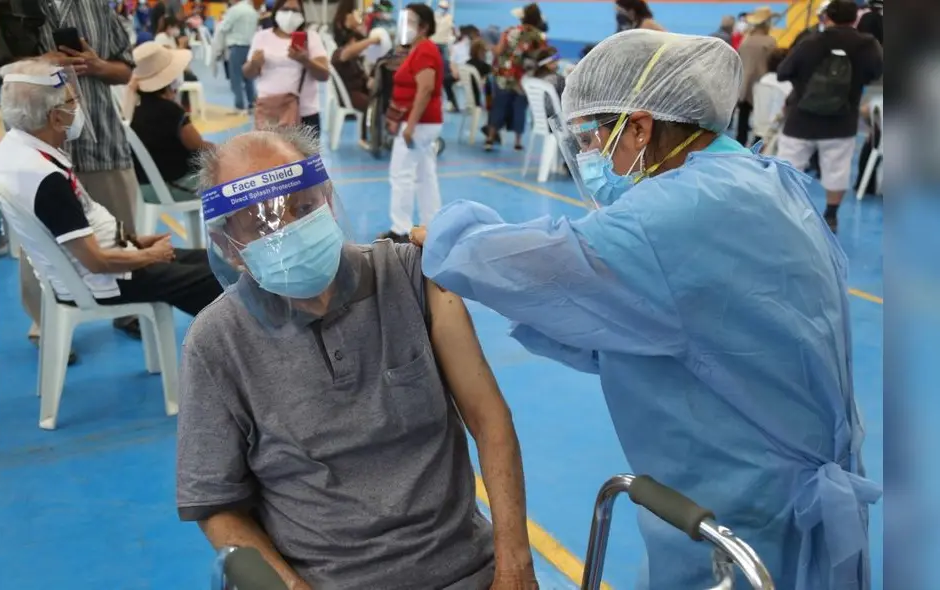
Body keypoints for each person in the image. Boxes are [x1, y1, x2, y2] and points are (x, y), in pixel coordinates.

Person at [412, 29, 881, 590]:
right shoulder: (759, 179)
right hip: (784, 480)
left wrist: (440, 234)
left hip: (745, 506)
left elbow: (549, 266)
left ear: (639, 126)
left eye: (590, 140)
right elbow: (649, 320)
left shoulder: (678, 213)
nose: (586, 158)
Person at [177, 128, 537, 590]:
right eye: (260, 222)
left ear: (326, 201)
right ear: (230, 246)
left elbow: (490, 420)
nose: (286, 227)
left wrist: (514, 565)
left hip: (469, 570)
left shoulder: (411, 276)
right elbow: (217, 505)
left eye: (302, 206)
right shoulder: (216, 342)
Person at [0, 61, 223, 324]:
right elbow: (96, 261)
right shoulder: (46, 179)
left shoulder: (18, 150)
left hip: (112, 261)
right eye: (71, 102)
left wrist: (135, 242)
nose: (77, 108)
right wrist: (150, 256)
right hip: (109, 278)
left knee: (214, 259)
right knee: (223, 275)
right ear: (55, 117)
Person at [0, 0, 145, 343]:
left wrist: (97, 65)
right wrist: (39, 65)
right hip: (37, 143)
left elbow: (126, 69)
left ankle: (131, 307)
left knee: (119, 223)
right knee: (40, 242)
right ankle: (44, 323)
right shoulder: (9, 7)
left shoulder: (97, 6)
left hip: (99, 134)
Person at [777, 0, 883, 232]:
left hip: (800, 119)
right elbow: (876, 72)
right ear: (855, 17)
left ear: (827, 16)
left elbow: (783, 72)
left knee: (788, 166)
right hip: (841, 121)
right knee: (838, 168)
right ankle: (831, 216)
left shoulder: (811, 41)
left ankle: (788, 212)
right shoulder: (867, 44)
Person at [380, 4, 444, 243]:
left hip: (419, 122)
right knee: (424, 174)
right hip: (425, 122)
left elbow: (425, 88)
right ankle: (433, 224)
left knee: (401, 174)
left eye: (410, 22)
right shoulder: (419, 49)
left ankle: (400, 229)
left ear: (424, 26)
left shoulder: (425, 50)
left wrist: (411, 124)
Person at [128, 42, 213, 205]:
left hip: (143, 187)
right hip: (174, 185)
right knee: (232, 184)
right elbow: (197, 145)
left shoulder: (134, 110)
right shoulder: (171, 111)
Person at [244, 0, 330, 134]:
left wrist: (305, 60)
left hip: (304, 113)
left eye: (295, 10)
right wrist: (254, 64)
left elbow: (324, 75)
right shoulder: (262, 37)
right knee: (269, 154)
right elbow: (248, 73)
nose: (290, 14)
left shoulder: (311, 38)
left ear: (302, 15)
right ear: (276, 11)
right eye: (285, 9)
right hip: (269, 112)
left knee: (306, 154)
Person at [486, 3, 546, 151]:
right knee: (520, 108)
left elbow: (499, 51)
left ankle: (490, 138)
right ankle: (517, 142)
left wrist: (490, 48)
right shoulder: (539, 37)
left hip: (504, 76)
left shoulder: (509, 31)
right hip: (524, 79)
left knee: (498, 107)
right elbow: (542, 57)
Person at [736, 7, 778, 145]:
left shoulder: (746, 41)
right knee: (761, 119)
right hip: (762, 83)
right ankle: (757, 144)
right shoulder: (770, 41)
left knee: (743, 117)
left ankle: (740, 142)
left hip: (744, 83)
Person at [219, 0, 260, 114]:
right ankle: (252, 104)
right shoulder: (252, 11)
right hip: (250, 46)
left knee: (236, 77)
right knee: (249, 78)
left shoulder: (234, 10)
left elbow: (224, 27)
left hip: (237, 46)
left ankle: (239, 106)